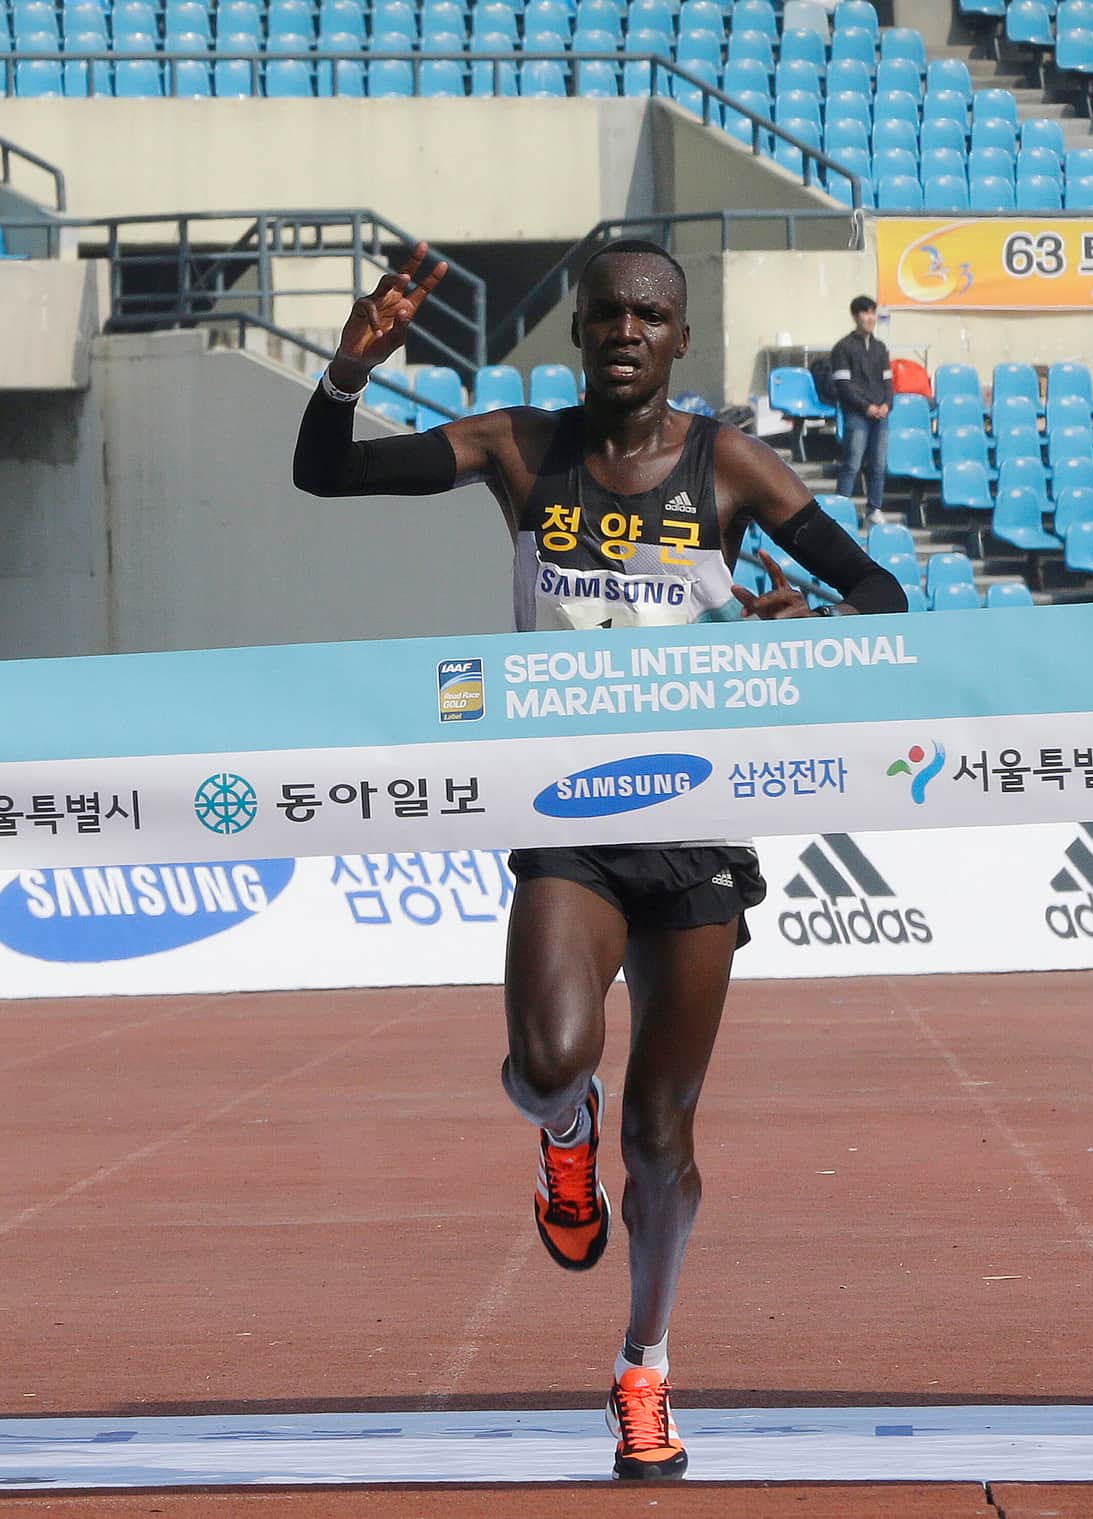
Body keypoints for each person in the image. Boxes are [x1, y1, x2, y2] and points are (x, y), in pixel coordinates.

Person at [293, 238, 905, 1481]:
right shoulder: (520, 447)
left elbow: (883, 596)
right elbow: (325, 477)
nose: (624, 329)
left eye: (649, 314)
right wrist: (348, 371)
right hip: (566, 812)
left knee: (663, 1141)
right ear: (578, 333)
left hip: (697, 827)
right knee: (543, 1062)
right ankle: (553, 1127)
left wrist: (783, 634)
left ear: (680, 340)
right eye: (603, 313)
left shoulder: (727, 463)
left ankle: (644, 1364)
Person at [831, 294, 893, 528]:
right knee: (852, 464)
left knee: (879, 464)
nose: (870, 318)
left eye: (873, 313)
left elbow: (888, 382)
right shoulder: (843, 348)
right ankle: (839, 510)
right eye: (866, 313)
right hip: (857, 415)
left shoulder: (880, 348)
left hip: (881, 416)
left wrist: (887, 404)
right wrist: (866, 407)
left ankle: (874, 509)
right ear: (856, 317)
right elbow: (843, 386)